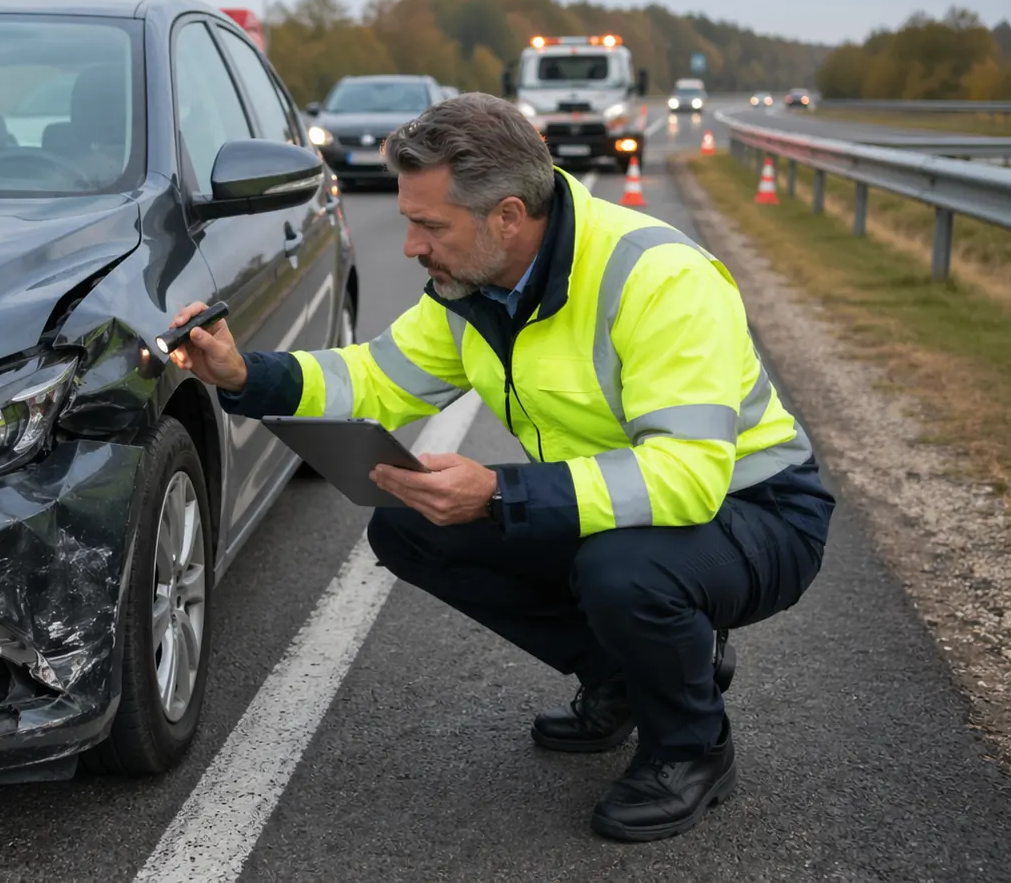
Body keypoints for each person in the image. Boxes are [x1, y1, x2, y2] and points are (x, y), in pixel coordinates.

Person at [166, 92, 835, 843]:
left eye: (428, 225)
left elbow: (685, 476)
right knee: (406, 525)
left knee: (626, 570)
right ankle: (625, 674)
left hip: (756, 512)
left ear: (508, 216)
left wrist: (500, 492)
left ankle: (691, 746)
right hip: (618, 505)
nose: (411, 245)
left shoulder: (661, 279)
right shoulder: (474, 286)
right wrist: (241, 374)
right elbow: (374, 377)